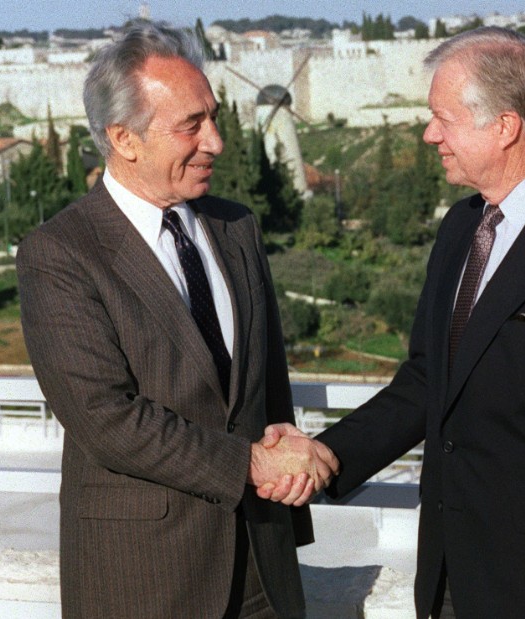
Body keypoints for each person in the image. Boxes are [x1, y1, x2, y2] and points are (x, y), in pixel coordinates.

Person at [266, 26, 525, 619]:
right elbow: (428, 382)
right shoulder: (462, 227)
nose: (430, 135)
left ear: (503, 127)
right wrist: (326, 455)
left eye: (442, 118)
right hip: (452, 576)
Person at [17, 23, 338, 619]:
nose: (216, 141)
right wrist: (251, 463)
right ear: (124, 139)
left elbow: (265, 384)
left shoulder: (235, 226)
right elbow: (106, 419)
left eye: (213, 117)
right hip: (146, 578)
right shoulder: (60, 254)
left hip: (263, 570)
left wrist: (285, 474)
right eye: (192, 125)